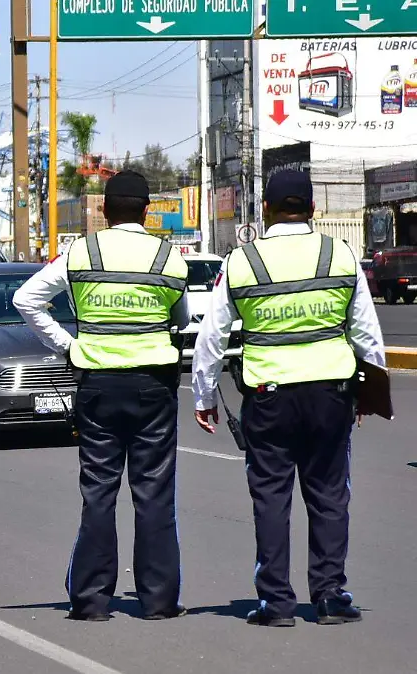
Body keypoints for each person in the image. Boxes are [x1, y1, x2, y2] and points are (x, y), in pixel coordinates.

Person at [192, 170, 386, 627]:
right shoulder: (339, 254)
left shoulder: (241, 262)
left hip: (269, 400)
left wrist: (204, 396)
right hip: (330, 396)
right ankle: (331, 596)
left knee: (271, 499)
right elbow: (367, 335)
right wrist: (368, 394)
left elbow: (211, 338)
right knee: (329, 496)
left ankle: (276, 604)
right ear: (313, 209)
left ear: (265, 210)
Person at [13, 171, 189, 622]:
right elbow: (180, 319)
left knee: (99, 492)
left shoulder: (80, 252)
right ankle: (158, 601)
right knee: (153, 493)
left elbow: (26, 299)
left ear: (105, 211)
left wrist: (67, 345)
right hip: (153, 385)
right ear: (146, 211)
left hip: (97, 385)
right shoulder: (169, 259)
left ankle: (90, 600)